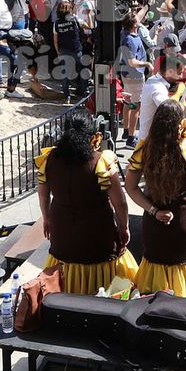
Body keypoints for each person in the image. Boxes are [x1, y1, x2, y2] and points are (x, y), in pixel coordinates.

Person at [36, 108, 137, 294]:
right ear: (92, 134)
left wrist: (47, 218)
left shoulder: (49, 159)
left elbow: (42, 194)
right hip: (98, 233)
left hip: (62, 229)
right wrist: (124, 227)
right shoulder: (101, 160)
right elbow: (120, 202)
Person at [125, 100, 186, 296]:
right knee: (183, 267)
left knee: (153, 271)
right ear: (180, 125)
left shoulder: (144, 150)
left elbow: (130, 187)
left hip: (154, 221)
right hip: (184, 220)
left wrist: (153, 211)